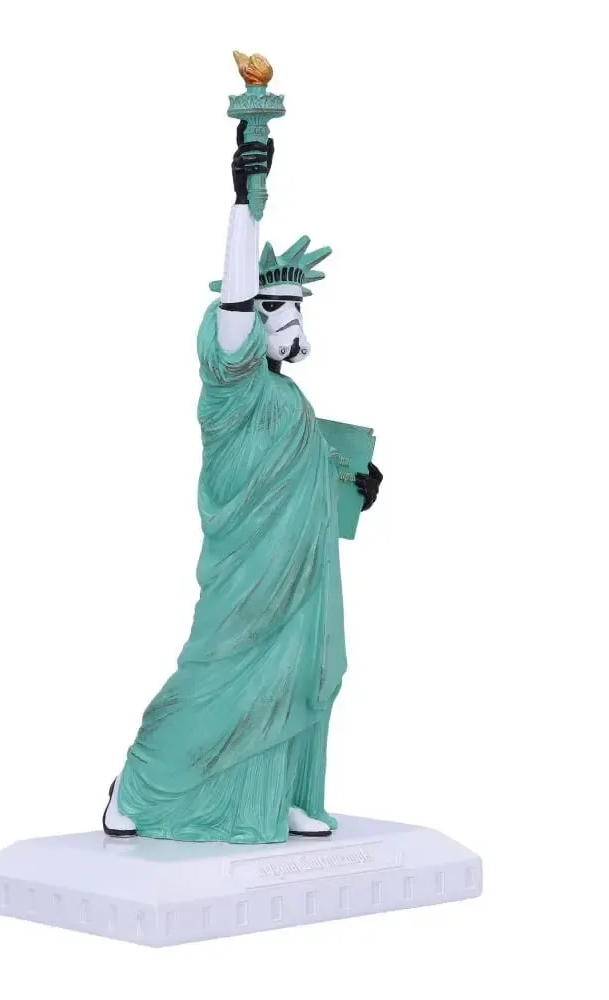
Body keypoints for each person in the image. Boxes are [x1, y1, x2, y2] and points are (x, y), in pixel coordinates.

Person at [102, 124, 381, 843]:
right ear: (253, 320)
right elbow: (232, 306)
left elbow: (303, 468)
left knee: (298, 672)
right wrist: (242, 203)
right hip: (246, 573)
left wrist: (352, 481)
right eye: (281, 314)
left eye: (297, 314)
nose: (297, 331)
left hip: (300, 571)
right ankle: (139, 784)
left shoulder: (287, 398)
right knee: (217, 676)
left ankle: (279, 790)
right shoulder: (233, 387)